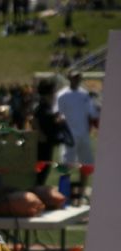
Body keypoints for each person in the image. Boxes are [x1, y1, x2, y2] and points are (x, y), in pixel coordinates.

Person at [55, 71, 99, 204]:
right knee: (66, 165)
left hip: (83, 134)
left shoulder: (84, 94)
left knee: (85, 164)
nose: (76, 80)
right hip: (69, 135)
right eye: (74, 78)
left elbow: (92, 113)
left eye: (78, 78)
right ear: (69, 78)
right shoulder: (62, 95)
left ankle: (82, 194)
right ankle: (64, 194)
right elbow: (57, 113)